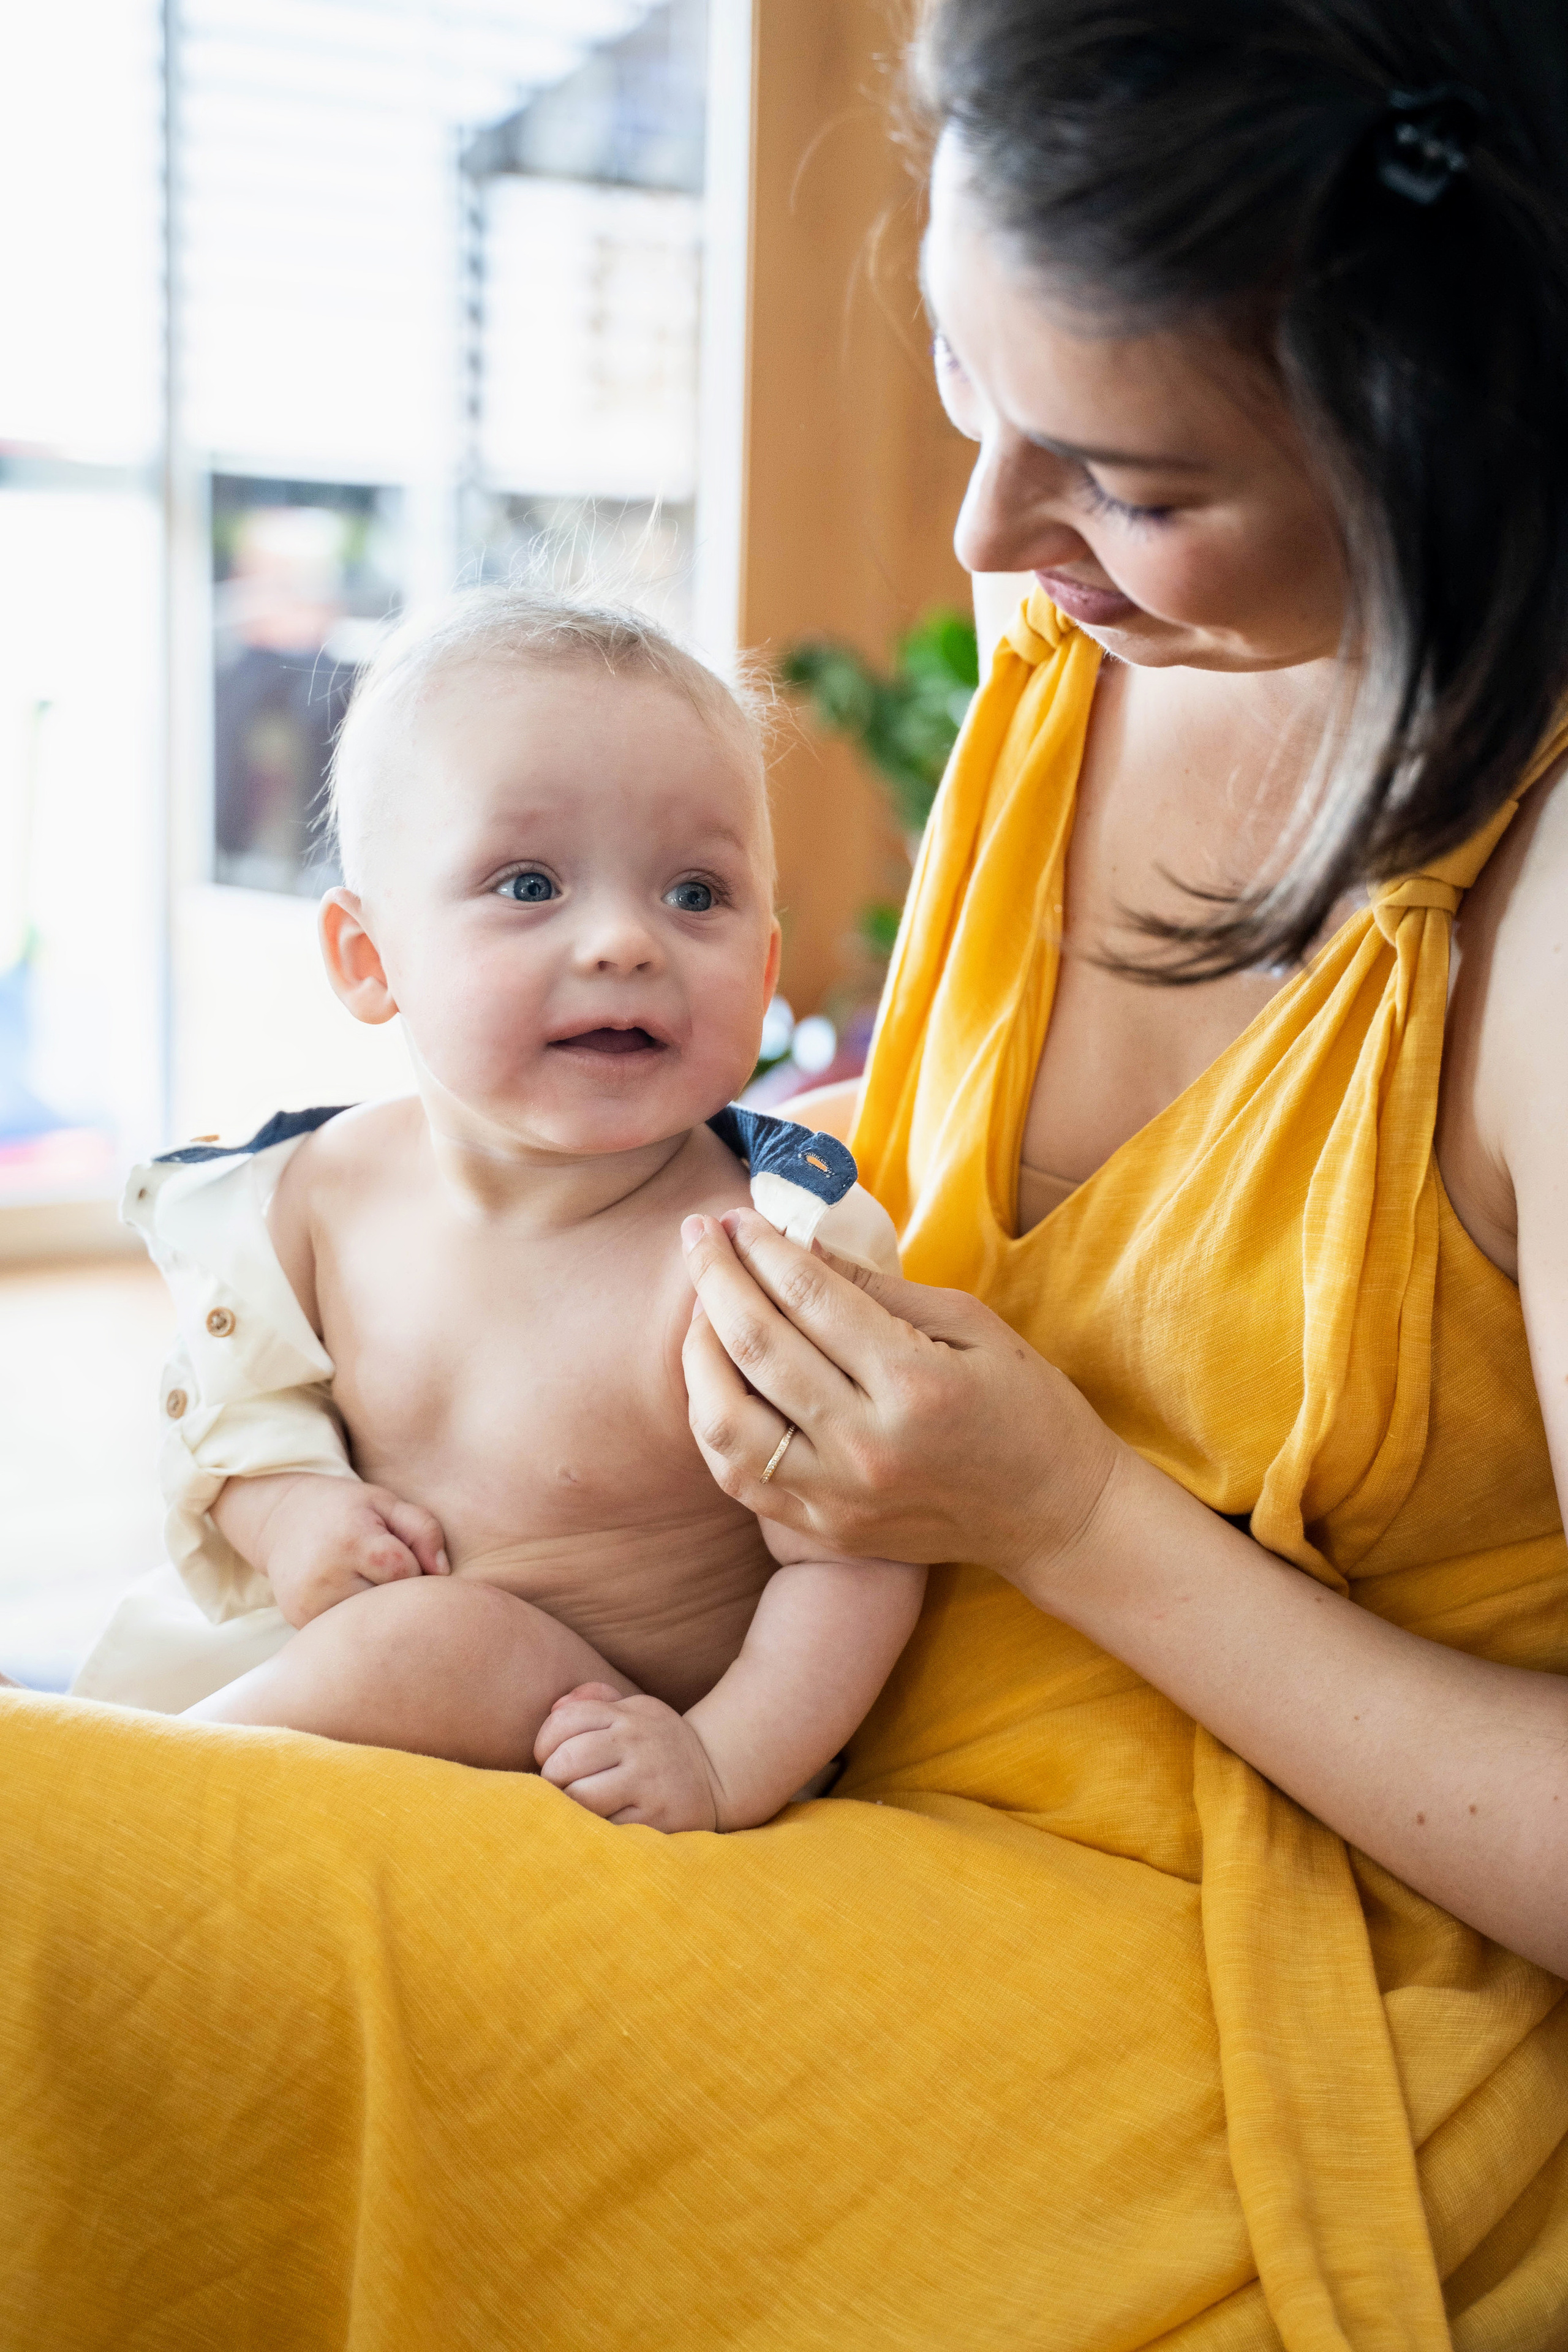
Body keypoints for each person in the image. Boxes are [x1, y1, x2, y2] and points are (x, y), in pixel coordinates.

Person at [4, 3, 1567, 2343]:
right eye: (965, 377)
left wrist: (1059, 1518)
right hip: (765, 1779)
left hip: (1207, 1970)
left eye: (1129, 480)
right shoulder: (1081, 642)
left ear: (1458, 425)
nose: (990, 541)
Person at [74, 587, 919, 1831]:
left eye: (696, 895)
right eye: (529, 883)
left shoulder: (759, 1255)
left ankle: (117, 1829)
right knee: (359, 1652)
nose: (626, 941)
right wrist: (291, 1507)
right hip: (342, 1717)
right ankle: (124, 1817)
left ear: (767, 967)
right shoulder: (312, 1194)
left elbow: (857, 1555)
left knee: (435, 1645)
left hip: (627, 1748)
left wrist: (723, 1758)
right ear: (370, 961)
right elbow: (239, 1418)